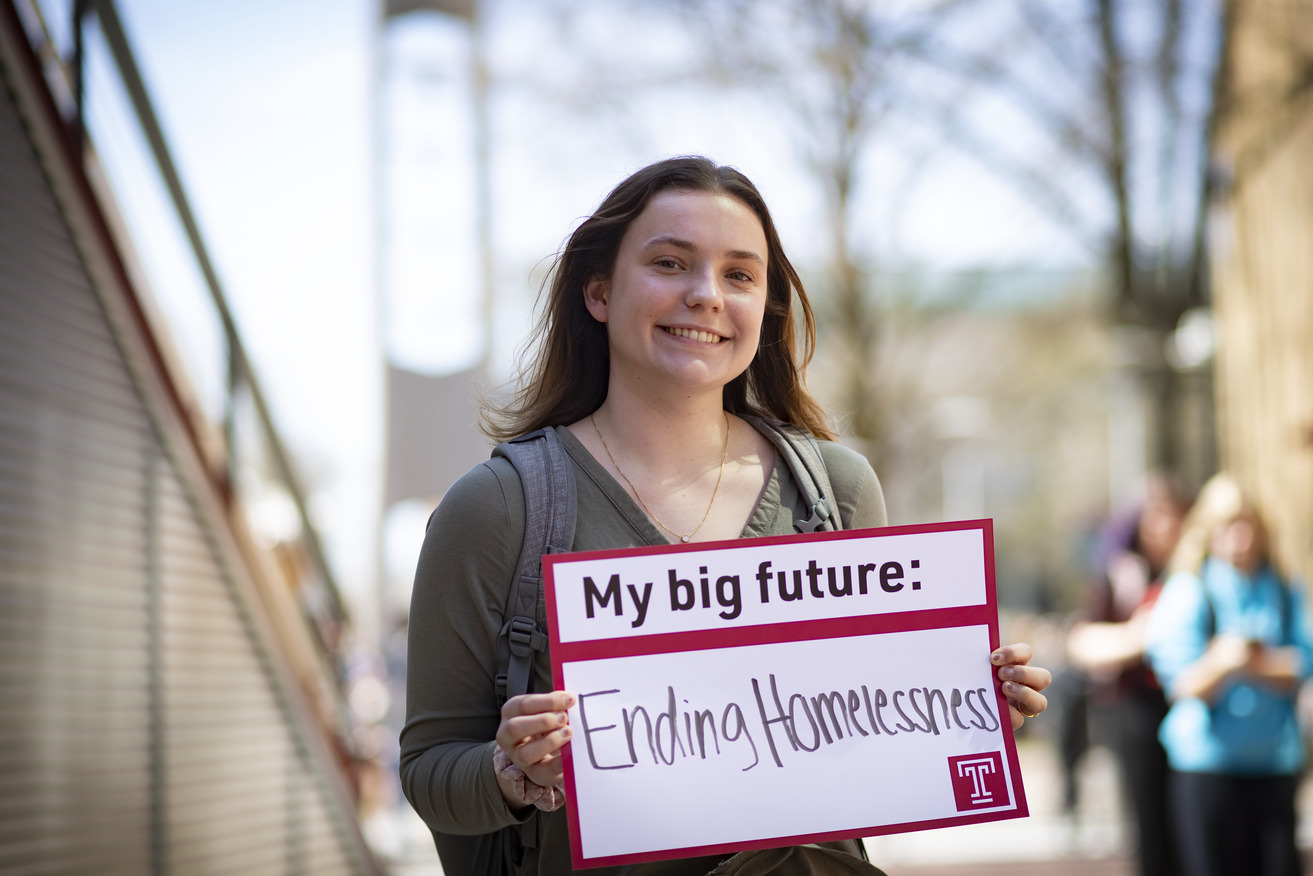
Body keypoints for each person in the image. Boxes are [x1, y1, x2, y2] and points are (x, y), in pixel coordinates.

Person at [399, 156, 1052, 875]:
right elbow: (428, 772)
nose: (706, 294)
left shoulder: (836, 493)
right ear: (598, 291)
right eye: (671, 262)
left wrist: (965, 715)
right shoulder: (495, 509)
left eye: (739, 274)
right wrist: (511, 771)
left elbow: (870, 754)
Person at [1144, 473, 1312, 876]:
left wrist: (1253, 664)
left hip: (1273, 761)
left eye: (1245, 525)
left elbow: (1301, 663)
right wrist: (1224, 662)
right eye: (1227, 526)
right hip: (1209, 765)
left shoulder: (1284, 590)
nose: (1238, 537)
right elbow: (1181, 682)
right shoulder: (1190, 591)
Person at [1067, 474, 1190, 876]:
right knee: (1151, 829)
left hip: (1193, 709)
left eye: (1173, 517)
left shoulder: (1198, 572)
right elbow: (1083, 640)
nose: (1163, 528)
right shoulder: (1121, 575)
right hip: (1138, 712)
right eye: (1154, 517)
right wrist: (1141, 636)